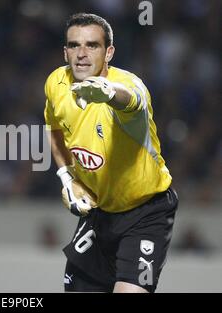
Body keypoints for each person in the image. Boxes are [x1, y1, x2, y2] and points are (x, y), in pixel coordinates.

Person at [44, 13, 178, 293]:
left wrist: (108, 92)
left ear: (109, 53)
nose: (81, 54)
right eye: (74, 45)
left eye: (92, 45)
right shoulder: (56, 84)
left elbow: (133, 101)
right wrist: (67, 177)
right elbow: (54, 130)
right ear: (65, 51)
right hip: (99, 212)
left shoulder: (127, 86)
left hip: (146, 212)